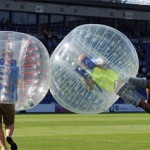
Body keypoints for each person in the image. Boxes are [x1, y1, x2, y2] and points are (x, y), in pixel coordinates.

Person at [75, 54, 150, 113]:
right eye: (82, 62)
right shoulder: (86, 76)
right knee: (142, 104)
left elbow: (107, 66)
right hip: (118, 88)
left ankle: (149, 99)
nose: (84, 62)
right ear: (80, 65)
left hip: (123, 79)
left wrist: (94, 65)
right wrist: (84, 77)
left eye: (85, 59)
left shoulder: (97, 61)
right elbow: (90, 87)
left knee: (148, 83)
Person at [0, 51, 18, 150]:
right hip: (9, 98)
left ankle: (3, 147)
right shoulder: (15, 68)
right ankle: (9, 136)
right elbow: (17, 83)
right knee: (9, 123)